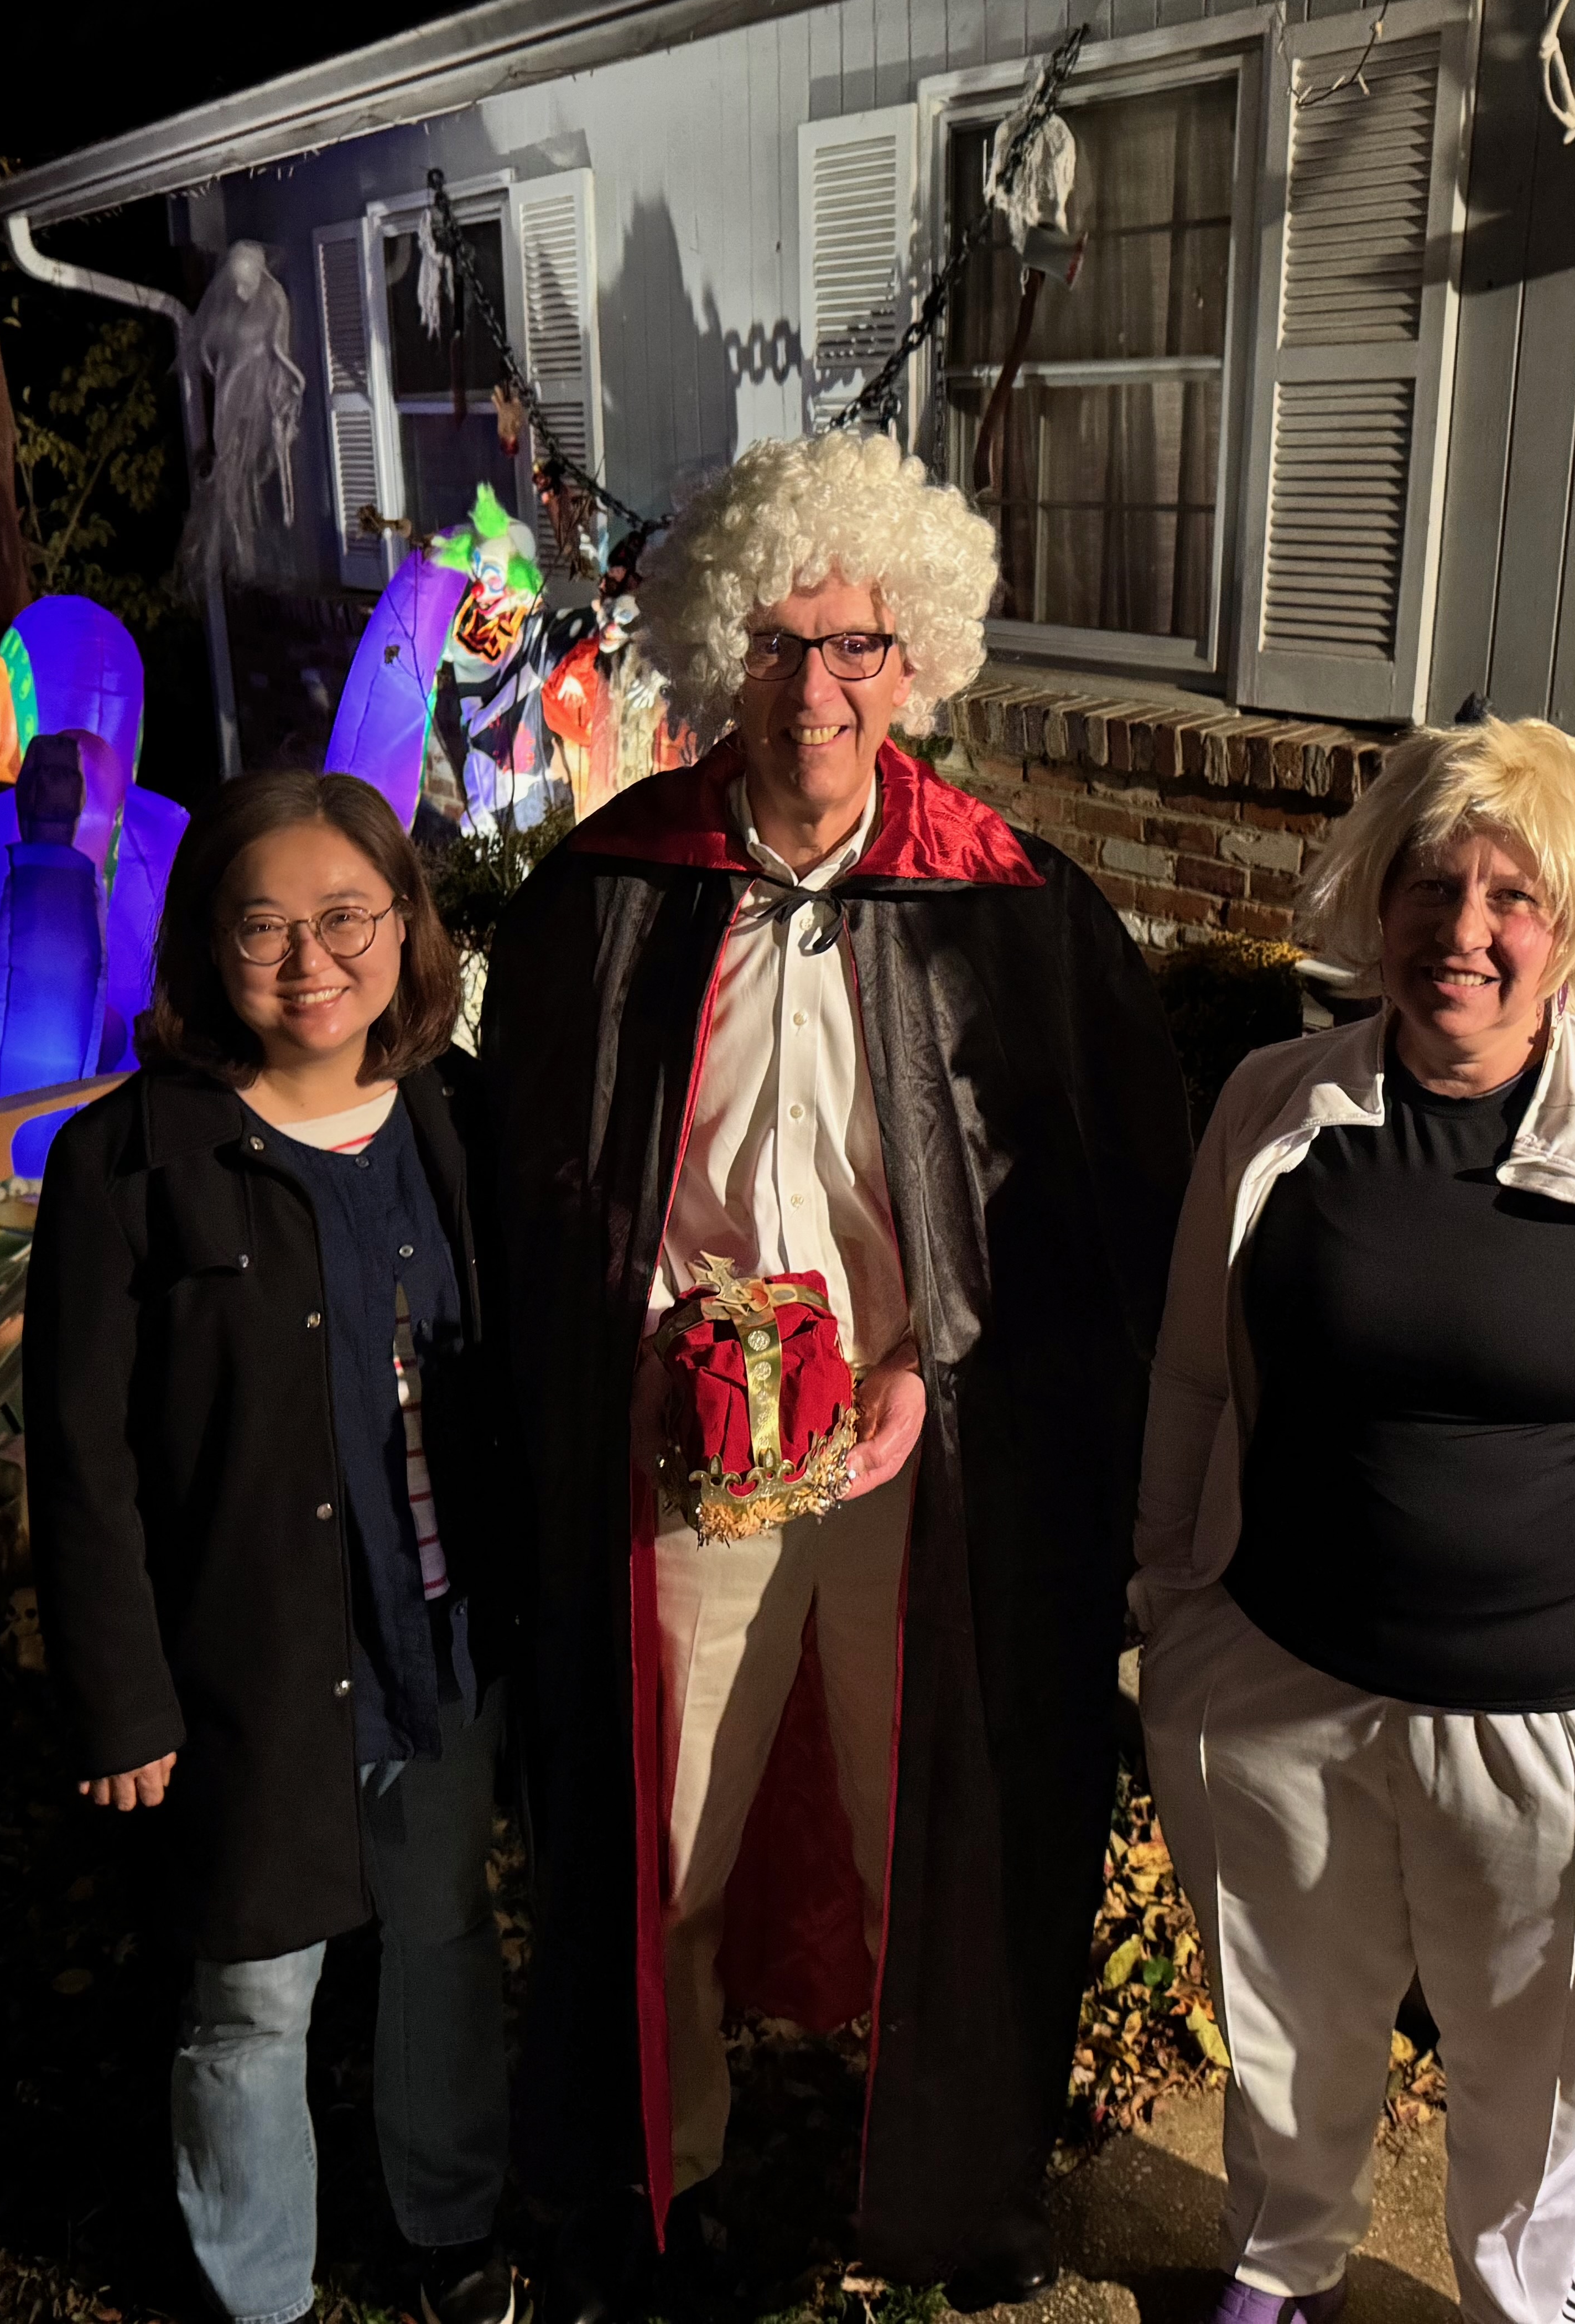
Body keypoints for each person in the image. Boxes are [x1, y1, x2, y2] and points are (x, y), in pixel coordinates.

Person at [477, 430, 1191, 2314]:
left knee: (933, 1839)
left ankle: (946, 2188)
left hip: (912, 1469)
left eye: (857, 645)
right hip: (677, 1467)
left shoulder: (1011, 911)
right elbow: (542, 1189)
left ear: (914, 657)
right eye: (784, 648)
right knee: (666, 1849)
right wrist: (627, 1352)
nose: (819, 688)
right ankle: (662, 2178)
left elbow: (1085, 1226)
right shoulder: (611, 897)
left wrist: (934, 1378)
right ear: (730, 654)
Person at [1130, 717, 1575, 2324]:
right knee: (1290, 2021)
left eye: (1513, 895)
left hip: (1571, 1730)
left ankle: (1521, 2297)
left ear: (1572, 926)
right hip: (1283, 1684)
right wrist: (1174, 1602)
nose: (1465, 928)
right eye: (1431, 883)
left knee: (1535, 2087)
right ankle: (1278, 2262)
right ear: (1375, 903)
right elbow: (1187, 1376)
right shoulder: (1268, 1100)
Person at [29, 771, 519, 2324]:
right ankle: (261, 2292)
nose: (312, 960)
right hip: (249, 1660)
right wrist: (121, 1699)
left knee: (442, 1930)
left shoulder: (457, 1116)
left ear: (404, 927)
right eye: (264, 926)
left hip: (436, 1629)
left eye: (345, 917)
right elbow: (80, 1454)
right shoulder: (130, 1164)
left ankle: (449, 2225)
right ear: (204, 943)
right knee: (252, 1990)